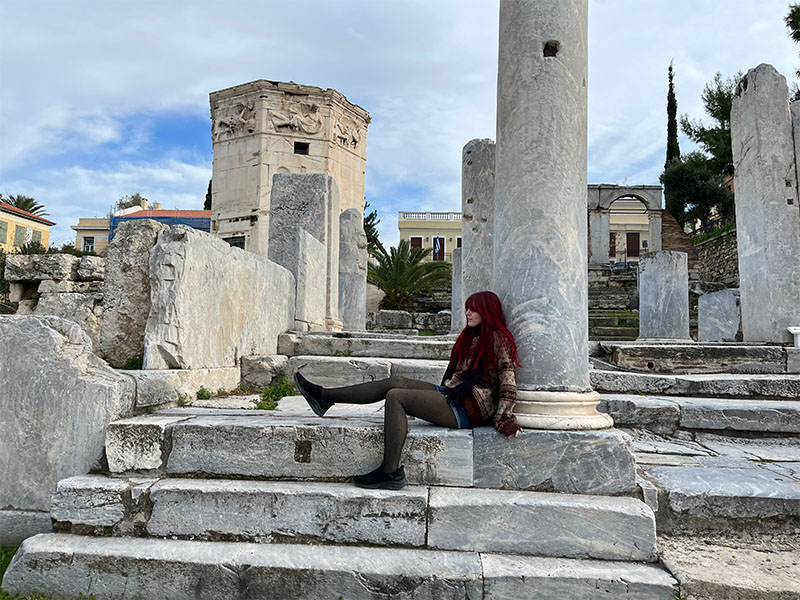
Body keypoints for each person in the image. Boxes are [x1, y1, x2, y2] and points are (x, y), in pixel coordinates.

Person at [294, 290, 522, 490]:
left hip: (469, 408)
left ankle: (390, 472)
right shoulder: (473, 336)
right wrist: (439, 393)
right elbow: (455, 376)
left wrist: (504, 418)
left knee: (396, 397)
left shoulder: (497, 337)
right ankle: (324, 397)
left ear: (487, 311)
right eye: (467, 308)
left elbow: (507, 379)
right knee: (395, 381)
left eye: (473, 309)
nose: (468, 313)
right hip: (454, 394)